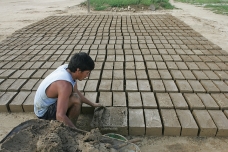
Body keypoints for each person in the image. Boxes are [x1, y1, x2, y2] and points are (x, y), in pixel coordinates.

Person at [34, 52, 102, 128]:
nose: (87, 76)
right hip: (44, 113)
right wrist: (77, 131)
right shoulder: (65, 85)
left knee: (75, 96)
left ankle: (70, 126)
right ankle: (69, 131)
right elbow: (60, 115)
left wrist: (92, 104)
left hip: (47, 105)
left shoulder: (68, 69)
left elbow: (76, 91)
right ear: (78, 70)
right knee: (75, 99)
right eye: (87, 73)